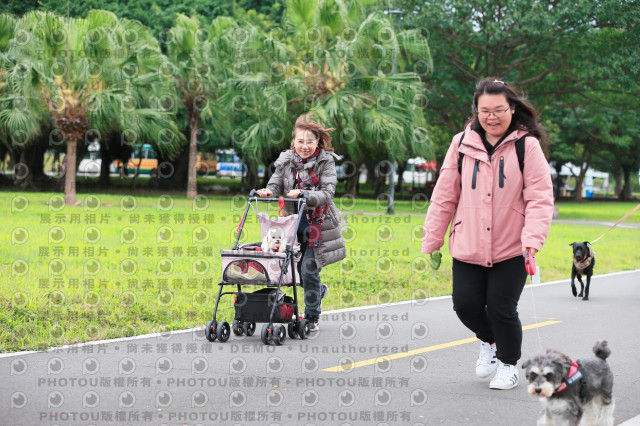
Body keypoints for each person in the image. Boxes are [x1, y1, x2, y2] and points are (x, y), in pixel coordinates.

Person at [422, 78, 554, 389]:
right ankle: (490, 342)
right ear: (476, 111)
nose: (492, 117)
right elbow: (444, 195)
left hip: (512, 246)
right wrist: (433, 238)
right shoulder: (461, 144)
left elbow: (539, 198)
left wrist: (532, 241)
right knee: (465, 305)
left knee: (501, 307)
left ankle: (508, 364)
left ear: (512, 109)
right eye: (485, 111)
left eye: (499, 110)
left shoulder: (526, 145)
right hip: (468, 243)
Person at [257, 114, 346, 331]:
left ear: (318, 143)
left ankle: (312, 316)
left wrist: (305, 194)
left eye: (310, 142)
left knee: (308, 268)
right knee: (293, 269)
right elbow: (276, 183)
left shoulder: (326, 161)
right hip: (293, 224)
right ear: (293, 142)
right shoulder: (286, 160)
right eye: (300, 141)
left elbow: (327, 193)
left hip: (318, 225)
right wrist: (268, 191)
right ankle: (318, 291)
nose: (304, 146)